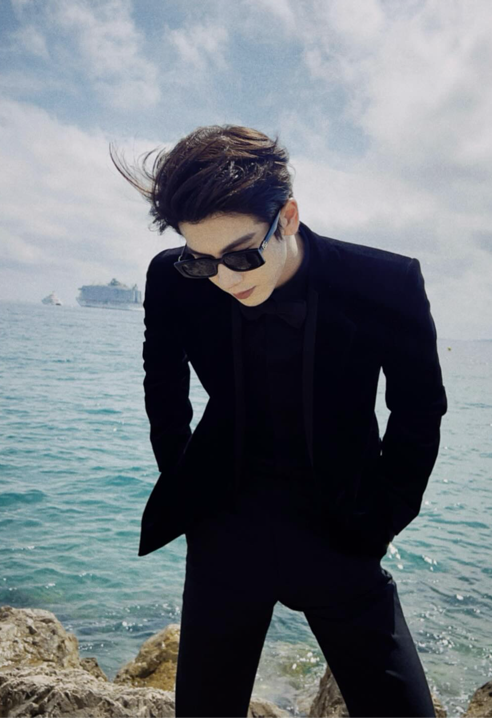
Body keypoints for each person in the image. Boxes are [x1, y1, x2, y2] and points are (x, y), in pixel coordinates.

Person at [111, 125, 448, 717]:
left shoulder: (385, 283)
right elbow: (162, 385)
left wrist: (383, 518)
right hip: (225, 528)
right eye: (202, 259)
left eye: (242, 255)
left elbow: (419, 408)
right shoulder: (172, 279)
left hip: (342, 528)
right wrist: (185, 485)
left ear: (287, 217)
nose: (226, 277)